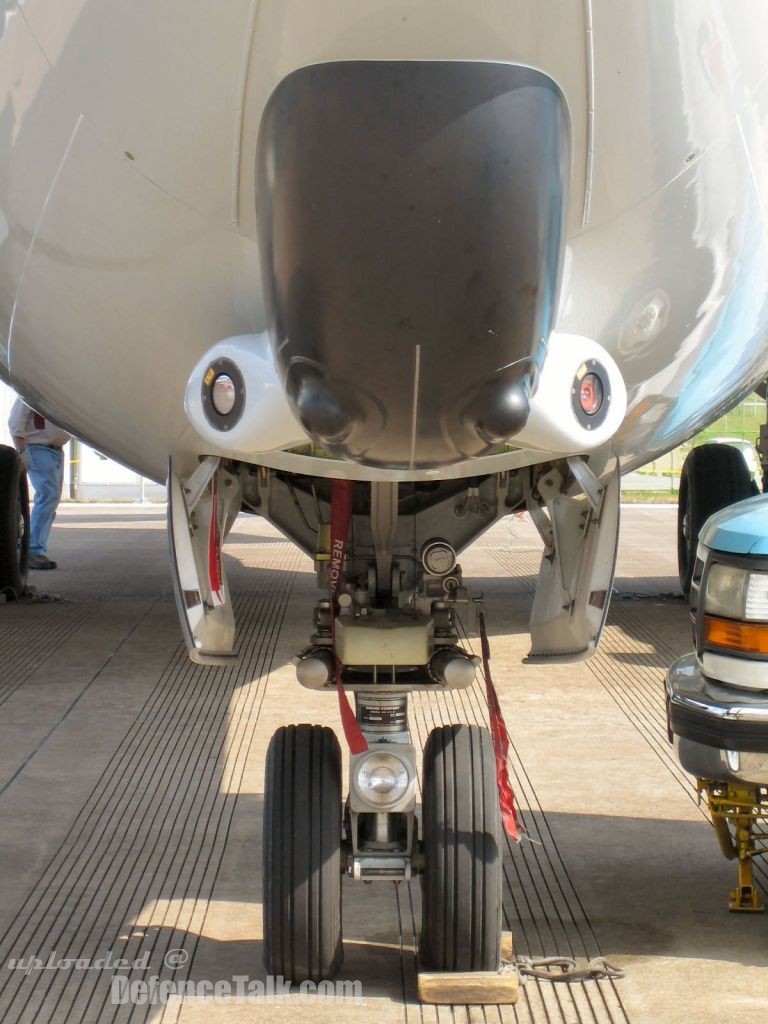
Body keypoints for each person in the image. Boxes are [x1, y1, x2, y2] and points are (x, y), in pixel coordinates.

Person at [8, 397, 72, 569]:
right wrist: (21, 450)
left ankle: (34, 548)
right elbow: (15, 422)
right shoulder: (30, 393)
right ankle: (34, 550)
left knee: (50, 499)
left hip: (55, 450)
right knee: (48, 496)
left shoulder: (57, 394)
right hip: (37, 448)